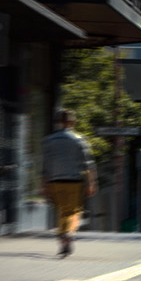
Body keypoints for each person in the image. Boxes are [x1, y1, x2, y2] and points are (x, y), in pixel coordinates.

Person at [42, 109, 96, 257]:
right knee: (73, 211)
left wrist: (44, 184)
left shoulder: (49, 141)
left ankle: (62, 241)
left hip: (55, 181)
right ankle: (68, 234)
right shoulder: (79, 139)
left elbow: (45, 165)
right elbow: (88, 164)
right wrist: (91, 183)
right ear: (72, 122)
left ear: (57, 122)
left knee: (62, 211)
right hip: (74, 180)